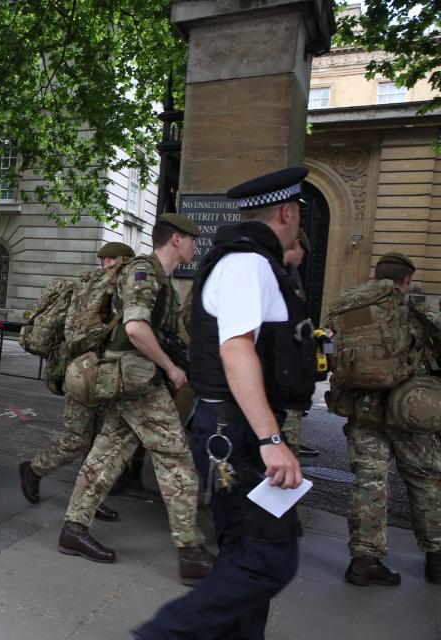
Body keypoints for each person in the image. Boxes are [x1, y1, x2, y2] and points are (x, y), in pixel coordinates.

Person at [133, 167, 315, 640]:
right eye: (299, 215)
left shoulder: (254, 261)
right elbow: (235, 350)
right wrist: (271, 439)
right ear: (287, 211)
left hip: (232, 431)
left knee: (244, 555)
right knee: (267, 561)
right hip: (234, 435)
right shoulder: (247, 262)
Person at [57, 215, 214, 586]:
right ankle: (190, 550)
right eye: (193, 239)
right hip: (136, 380)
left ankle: (73, 529)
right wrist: (171, 369)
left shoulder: (163, 279)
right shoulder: (144, 272)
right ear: (176, 239)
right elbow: (135, 328)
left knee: (108, 452)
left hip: (130, 380)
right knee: (175, 456)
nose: (196, 246)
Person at [337, 252, 441, 587]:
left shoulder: (352, 308)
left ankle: (365, 560)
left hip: (364, 410)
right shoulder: (415, 311)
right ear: (408, 280)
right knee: (425, 480)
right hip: (409, 412)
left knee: (370, 481)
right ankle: (437, 557)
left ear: (375, 277)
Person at [19, 241, 135, 522]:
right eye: (125, 263)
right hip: (83, 374)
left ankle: (91, 497)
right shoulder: (93, 289)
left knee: (99, 440)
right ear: (116, 262)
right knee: (78, 438)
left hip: (104, 374)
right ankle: (34, 469)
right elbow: (76, 336)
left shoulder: (112, 290)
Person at [281, 228, 320, 457]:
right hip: (280, 391)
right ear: (296, 245)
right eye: (303, 253)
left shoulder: (289, 276)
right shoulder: (276, 274)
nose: (302, 260)